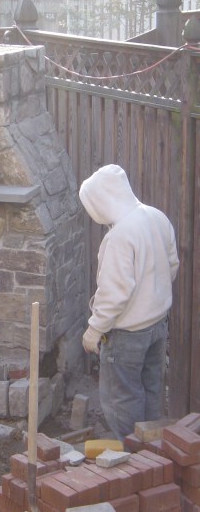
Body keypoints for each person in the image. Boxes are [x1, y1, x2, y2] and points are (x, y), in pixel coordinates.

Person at [79, 164, 179, 441]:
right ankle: (153, 455)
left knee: (122, 402)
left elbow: (114, 293)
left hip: (127, 335)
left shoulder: (120, 236)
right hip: (158, 326)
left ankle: (133, 457)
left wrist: (94, 330)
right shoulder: (156, 217)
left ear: (103, 201)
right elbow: (171, 265)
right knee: (150, 394)